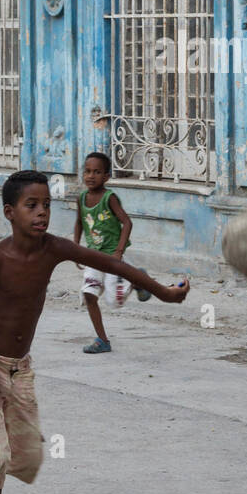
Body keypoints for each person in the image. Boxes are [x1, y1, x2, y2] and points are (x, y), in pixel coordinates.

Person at [0, 170, 189, 494]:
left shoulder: (53, 249)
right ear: (9, 212)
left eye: (47, 206)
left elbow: (113, 265)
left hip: (20, 366)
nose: (42, 213)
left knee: (25, 457)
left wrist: (162, 292)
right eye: (31, 205)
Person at [74, 151, 140, 353]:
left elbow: (127, 222)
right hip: (93, 257)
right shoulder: (82, 198)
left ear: (106, 177)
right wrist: (76, 247)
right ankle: (102, 340)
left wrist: (119, 251)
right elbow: (79, 223)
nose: (91, 176)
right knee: (89, 294)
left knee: (114, 301)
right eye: (87, 171)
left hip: (112, 257)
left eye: (96, 172)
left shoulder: (109, 198)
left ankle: (137, 280)